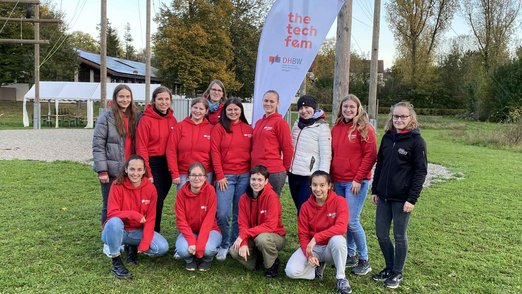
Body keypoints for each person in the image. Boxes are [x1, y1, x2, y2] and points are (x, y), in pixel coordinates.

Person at [370, 101, 427, 289]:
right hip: (384, 196)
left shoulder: (417, 141)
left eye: (403, 116)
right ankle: (389, 267)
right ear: (391, 117)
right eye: (396, 116)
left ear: (411, 118)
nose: (399, 119)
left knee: (399, 235)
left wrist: (412, 199)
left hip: (402, 199)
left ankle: (397, 272)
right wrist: (375, 190)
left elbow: (420, 172)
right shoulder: (387, 137)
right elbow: (380, 165)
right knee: (381, 234)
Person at [101, 155, 169, 279]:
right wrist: (134, 215)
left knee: (162, 247)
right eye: (132, 169)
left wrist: (144, 243)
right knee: (115, 222)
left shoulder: (150, 189)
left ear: (144, 171)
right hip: (116, 231)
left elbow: (151, 218)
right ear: (126, 169)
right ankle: (116, 262)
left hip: (136, 232)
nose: (135, 173)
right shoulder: (117, 185)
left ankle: (132, 246)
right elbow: (111, 214)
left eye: (139, 169)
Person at [331, 95, 377, 275]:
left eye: (352, 107)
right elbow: (333, 155)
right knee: (344, 219)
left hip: (355, 182)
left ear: (358, 109)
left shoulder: (365, 128)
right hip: (339, 181)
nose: (348, 110)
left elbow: (370, 156)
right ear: (341, 108)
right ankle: (350, 255)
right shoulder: (336, 128)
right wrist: (332, 180)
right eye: (345, 107)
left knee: (352, 220)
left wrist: (358, 178)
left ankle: (364, 259)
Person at [285, 170, 352, 294]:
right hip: (313, 248)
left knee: (338, 239)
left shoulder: (339, 201)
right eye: (314, 185)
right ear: (310, 186)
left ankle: (341, 278)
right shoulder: (305, 207)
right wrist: (309, 255)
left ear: (329, 186)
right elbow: (303, 235)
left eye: (322, 185)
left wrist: (316, 238)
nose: (318, 189)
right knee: (290, 271)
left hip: (330, 248)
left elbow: (341, 228)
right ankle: (315, 269)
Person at [210, 97, 253, 261]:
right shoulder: (219, 129)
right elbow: (214, 153)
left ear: (241, 110)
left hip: (245, 176)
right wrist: (219, 175)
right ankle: (224, 242)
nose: (233, 112)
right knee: (222, 213)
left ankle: (236, 242)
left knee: (239, 213)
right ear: (224, 111)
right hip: (225, 177)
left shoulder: (249, 129)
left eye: (236, 109)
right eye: (230, 110)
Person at [93, 84, 141, 225]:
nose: (124, 100)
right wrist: (102, 170)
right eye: (121, 96)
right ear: (115, 98)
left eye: (127, 97)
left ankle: (125, 235)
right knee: (109, 204)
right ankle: (108, 238)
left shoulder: (136, 117)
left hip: (131, 170)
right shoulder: (106, 118)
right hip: (112, 169)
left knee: (128, 205)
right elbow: (98, 145)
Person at [229, 165, 286, 278]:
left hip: (274, 236)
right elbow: (243, 224)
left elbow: (270, 226)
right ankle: (257, 261)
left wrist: (244, 235)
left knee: (262, 239)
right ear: (249, 180)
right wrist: (244, 242)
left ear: (266, 181)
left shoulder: (272, 197)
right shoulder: (244, 199)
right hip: (252, 235)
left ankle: (272, 264)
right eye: (253, 179)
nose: (256, 183)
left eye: (260, 180)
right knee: (234, 251)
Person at [136, 86, 177, 233]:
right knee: (156, 201)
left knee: (160, 200)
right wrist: (147, 172)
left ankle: (149, 232)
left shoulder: (172, 120)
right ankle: (152, 233)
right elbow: (141, 147)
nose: (164, 102)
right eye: (160, 99)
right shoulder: (146, 120)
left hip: (167, 164)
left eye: (167, 99)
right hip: (153, 164)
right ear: (154, 101)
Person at [288, 95, 331, 214]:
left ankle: (308, 233)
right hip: (293, 174)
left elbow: (326, 154)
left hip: (309, 176)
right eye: (301, 108)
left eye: (307, 107)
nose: (304, 111)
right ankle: (305, 231)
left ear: (314, 108)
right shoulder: (296, 125)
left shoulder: (321, 127)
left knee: (304, 210)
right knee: (299, 208)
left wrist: (323, 177)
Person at [174, 162, 222, 271]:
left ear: (205, 177)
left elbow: (209, 220)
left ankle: (207, 259)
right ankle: (190, 261)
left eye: (200, 175)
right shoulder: (181, 193)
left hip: (210, 229)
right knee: (182, 250)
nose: (197, 178)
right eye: (193, 175)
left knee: (208, 249)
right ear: (188, 177)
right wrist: (191, 241)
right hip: (190, 230)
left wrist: (200, 245)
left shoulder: (210, 191)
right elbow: (181, 220)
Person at [251, 90, 293, 197]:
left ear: (277, 103)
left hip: (273, 172)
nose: (268, 104)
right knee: (257, 203)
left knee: (271, 204)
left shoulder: (280, 123)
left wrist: (285, 169)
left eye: (271, 101)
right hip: (256, 171)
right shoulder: (259, 122)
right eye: (266, 101)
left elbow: (287, 148)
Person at [167, 98, 213, 189]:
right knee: (184, 201)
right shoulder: (179, 127)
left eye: (201, 109)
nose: (197, 111)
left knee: (203, 202)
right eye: (195, 107)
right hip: (184, 173)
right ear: (191, 108)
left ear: (206, 111)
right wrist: (174, 173)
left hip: (205, 174)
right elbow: (171, 151)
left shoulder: (212, 129)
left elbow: (215, 153)